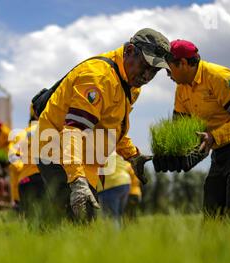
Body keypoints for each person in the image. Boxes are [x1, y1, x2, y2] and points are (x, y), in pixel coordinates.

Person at [36, 28, 170, 222]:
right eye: (145, 66)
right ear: (130, 51)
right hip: (57, 152)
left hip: (86, 159)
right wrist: (77, 181)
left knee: (81, 224)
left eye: (155, 71)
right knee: (76, 222)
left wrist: (133, 155)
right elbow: (73, 131)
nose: (147, 76)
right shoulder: (98, 78)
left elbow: (112, 127)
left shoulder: (130, 85)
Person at [165, 39, 230, 223]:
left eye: (168, 69)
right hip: (219, 147)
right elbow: (180, 127)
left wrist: (214, 136)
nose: (167, 74)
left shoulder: (218, 77)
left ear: (184, 63)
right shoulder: (181, 88)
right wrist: (172, 152)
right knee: (212, 209)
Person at [97, 154, 132, 225]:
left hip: (109, 185)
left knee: (111, 217)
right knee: (119, 215)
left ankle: (114, 235)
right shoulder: (114, 149)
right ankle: (123, 234)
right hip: (125, 183)